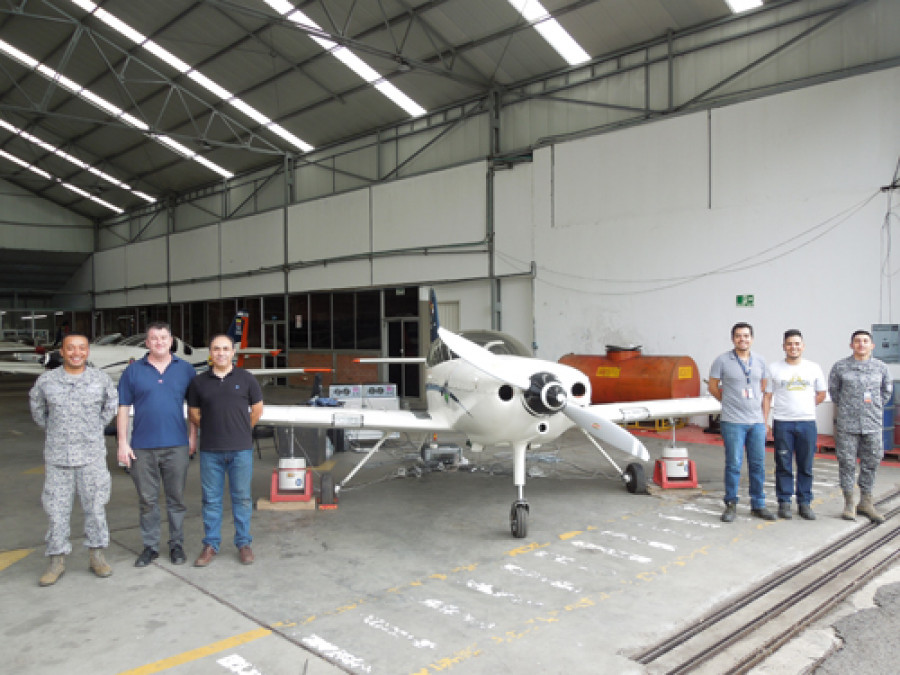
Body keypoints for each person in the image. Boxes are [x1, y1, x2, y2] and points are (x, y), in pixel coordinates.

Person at [29, 334, 118, 586]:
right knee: (56, 511)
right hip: (58, 458)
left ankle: (97, 556)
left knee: (96, 509)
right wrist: (56, 431)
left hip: (91, 457)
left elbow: (111, 405)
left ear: (88, 351)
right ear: (63, 351)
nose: (76, 353)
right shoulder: (47, 381)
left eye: (81, 348)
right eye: (70, 348)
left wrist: (93, 429)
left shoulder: (100, 379)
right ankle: (56, 560)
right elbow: (38, 410)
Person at [117, 322, 198, 567]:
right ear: (147, 342)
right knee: (147, 500)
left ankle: (176, 545)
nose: (159, 342)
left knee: (176, 499)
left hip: (176, 445)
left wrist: (193, 437)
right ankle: (150, 547)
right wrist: (123, 442)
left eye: (163, 337)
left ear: (171, 340)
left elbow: (194, 408)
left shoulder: (186, 370)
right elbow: (123, 408)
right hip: (142, 446)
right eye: (154, 338)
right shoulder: (133, 371)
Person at [187, 334, 263, 567]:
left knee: (242, 498)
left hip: (241, 450)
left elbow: (257, 409)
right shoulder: (199, 382)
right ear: (210, 353)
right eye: (216, 349)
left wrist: (241, 429)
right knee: (211, 500)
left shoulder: (247, 379)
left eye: (225, 349)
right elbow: (194, 413)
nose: (221, 353)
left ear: (233, 352)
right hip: (211, 450)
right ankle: (211, 544)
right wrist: (211, 428)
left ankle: (243, 543)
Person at [709, 322, 775, 522]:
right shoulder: (722, 361)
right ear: (733, 339)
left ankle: (758, 504)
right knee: (734, 464)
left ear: (752, 339)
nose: (742, 339)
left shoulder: (761, 361)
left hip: (756, 423)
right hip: (732, 422)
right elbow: (713, 387)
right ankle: (731, 503)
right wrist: (727, 401)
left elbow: (764, 390)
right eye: (738, 336)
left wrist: (764, 421)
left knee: (758, 465)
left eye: (746, 336)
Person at [828, 330, 893, 523]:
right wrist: (850, 408)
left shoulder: (881, 367)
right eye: (857, 341)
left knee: (871, 462)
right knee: (846, 462)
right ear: (851, 345)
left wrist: (873, 408)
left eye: (865, 341)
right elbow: (834, 392)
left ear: (872, 345)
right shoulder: (840, 367)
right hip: (847, 424)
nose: (861, 344)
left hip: (872, 423)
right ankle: (849, 502)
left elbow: (886, 392)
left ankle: (866, 501)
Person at [762, 330, 827, 520]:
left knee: (805, 464)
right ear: (784, 347)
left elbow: (821, 394)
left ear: (803, 346)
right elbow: (767, 396)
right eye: (789, 344)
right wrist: (764, 421)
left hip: (807, 423)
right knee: (783, 464)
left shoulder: (813, 368)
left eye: (797, 343)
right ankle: (784, 502)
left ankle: (804, 502)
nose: (793, 347)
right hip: (783, 423)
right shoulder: (774, 368)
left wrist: (805, 406)